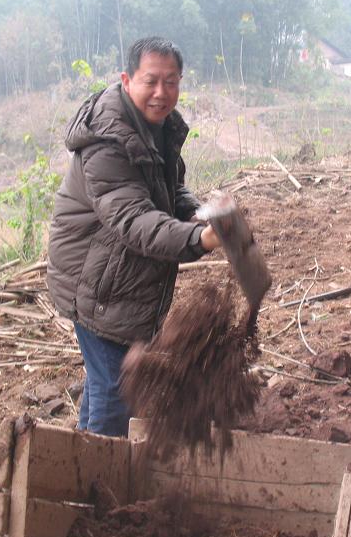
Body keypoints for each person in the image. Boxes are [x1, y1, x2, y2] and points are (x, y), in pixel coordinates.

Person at [46, 37, 221, 437]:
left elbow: (167, 190)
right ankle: (99, 485)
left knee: (104, 382)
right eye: (151, 81)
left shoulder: (157, 127)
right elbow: (134, 219)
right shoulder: (108, 142)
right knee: (116, 392)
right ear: (127, 80)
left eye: (171, 82)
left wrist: (199, 214)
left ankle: (81, 456)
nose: (162, 93)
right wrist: (199, 240)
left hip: (123, 281)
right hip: (97, 288)